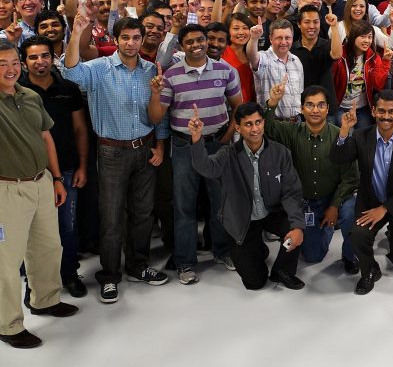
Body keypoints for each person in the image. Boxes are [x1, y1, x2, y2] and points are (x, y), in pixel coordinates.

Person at [63, 15, 170, 305]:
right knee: (111, 218)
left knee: (143, 213)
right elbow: (70, 72)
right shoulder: (99, 68)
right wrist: (76, 33)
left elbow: (159, 116)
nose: (132, 43)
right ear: (116, 39)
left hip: (145, 149)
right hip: (111, 152)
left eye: (137, 37)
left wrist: (160, 146)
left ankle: (138, 265)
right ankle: (110, 276)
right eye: (126, 37)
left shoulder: (151, 70)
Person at [147, 23, 243, 285]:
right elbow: (156, 117)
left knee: (220, 203)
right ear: (181, 46)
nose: (196, 45)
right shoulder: (171, 75)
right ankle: (186, 262)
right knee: (184, 206)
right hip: (184, 147)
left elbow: (239, 108)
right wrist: (156, 94)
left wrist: (225, 138)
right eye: (189, 42)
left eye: (200, 39)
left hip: (217, 144)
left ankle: (222, 252)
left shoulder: (226, 71)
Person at [0, 42, 77, 349]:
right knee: (6, 261)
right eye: (1, 63)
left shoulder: (29, 95)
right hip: (7, 189)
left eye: (14, 62)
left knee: (48, 246)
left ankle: (44, 300)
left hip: (42, 182)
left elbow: (46, 137)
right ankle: (7, 324)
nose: (10, 69)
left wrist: (57, 179)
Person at [188, 102, 306, 291]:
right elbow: (206, 168)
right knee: (254, 283)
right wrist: (196, 139)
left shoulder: (280, 152)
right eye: (248, 124)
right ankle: (257, 249)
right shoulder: (228, 153)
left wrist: (298, 226)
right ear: (238, 128)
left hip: (271, 211)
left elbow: (292, 192)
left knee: (298, 227)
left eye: (258, 122)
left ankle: (282, 271)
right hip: (242, 220)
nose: (255, 128)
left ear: (264, 123)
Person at [331, 89, 393, 294]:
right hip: (370, 203)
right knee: (358, 234)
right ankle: (370, 271)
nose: (386, 116)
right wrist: (344, 130)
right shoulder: (360, 136)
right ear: (373, 111)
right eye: (381, 111)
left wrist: (386, 209)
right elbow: (338, 158)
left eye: (391, 111)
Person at [262, 84, 359, 275]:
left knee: (351, 211)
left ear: (328, 109)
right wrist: (272, 103)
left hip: (333, 198)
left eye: (321, 105)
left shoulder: (341, 135)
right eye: (310, 105)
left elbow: (350, 178)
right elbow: (268, 127)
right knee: (313, 256)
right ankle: (325, 229)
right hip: (307, 203)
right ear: (301, 108)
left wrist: (334, 206)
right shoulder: (292, 132)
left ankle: (349, 256)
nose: (315, 110)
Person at [18, 37, 89, 298]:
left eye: (45, 56)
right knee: (32, 229)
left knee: (66, 226)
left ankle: (69, 275)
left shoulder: (68, 88)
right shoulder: (16, 90)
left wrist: (82, 165)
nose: (40, 61)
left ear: (52, 58)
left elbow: (80, 129)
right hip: (30, 173)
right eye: (33, 57)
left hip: (68, 168)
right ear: (24, 62)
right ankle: (34, 285)